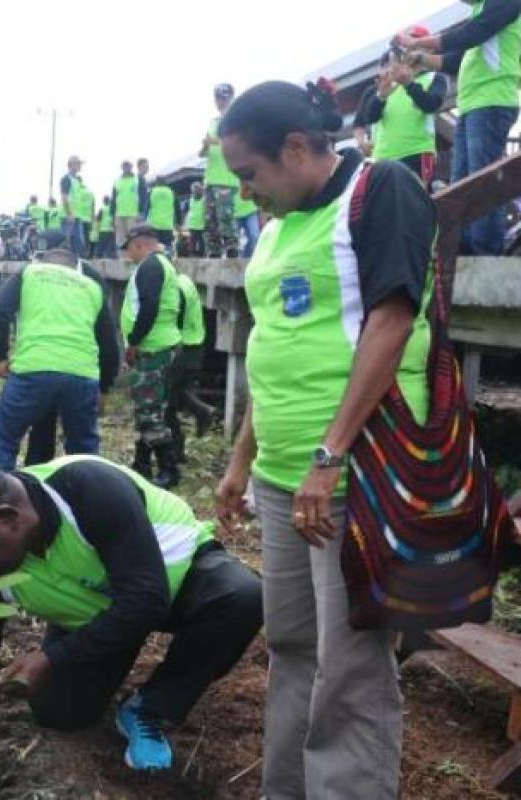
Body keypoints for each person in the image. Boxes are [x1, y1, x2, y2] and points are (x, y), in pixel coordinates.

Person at [215, 81, 436, 799]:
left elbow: (392, 320)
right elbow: (272, 348)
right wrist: (241, 461)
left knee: (351, 663)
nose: (247, 192)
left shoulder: (380, 190)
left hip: (353, 476)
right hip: (284, 481)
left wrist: (329, 454)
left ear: (298, 148)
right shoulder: (278, 229)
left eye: (251, 174)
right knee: (292, 648)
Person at [0, 455, 263, 799]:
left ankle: (151, 706)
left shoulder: (86, 488)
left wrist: (54, 659)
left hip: (177, 581)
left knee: (243, 598)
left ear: (9, 518)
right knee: (60, 711)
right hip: (99, 615)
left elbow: (146, 599)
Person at [399, 1, 521, 254]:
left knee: (482, 181)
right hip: (474, 105)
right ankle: (464, 249)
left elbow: (471, 34)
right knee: (461, 183)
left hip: (492, 98)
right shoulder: (481, 11)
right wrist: (419, 58)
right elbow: (453, 60)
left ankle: (486, 251)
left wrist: (418, 43)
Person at [0, 248, 120, 471]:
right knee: (84, 452)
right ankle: (83, 502)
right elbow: (109, 343)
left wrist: (1, 356)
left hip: (32, 370)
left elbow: (0, 310)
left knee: (4, 440)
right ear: (76, 268)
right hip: (81, 375)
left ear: (42, 263)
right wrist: (104, 388)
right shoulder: (92, 287)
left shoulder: (29, 273)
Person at [118, 224, 183, 488]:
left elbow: (149, 307)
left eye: (129, 250)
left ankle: (169, 469)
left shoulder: (150, 266)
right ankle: (141, 463)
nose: (128, 256)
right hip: (160, 346)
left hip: (153, 348)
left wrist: (134, 341)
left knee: (150, 412)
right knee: (148, 407)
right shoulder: (162, 265)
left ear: (139, 244)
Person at [363, 30, 449, 187]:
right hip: (383, 160)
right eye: (406, 45)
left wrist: (408, 83)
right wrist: (381, 95)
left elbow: (431, 104)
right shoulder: (388, 82)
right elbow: (370, 117)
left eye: (415, 44)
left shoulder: (435, 78)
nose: (409, 50)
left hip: (418, 154)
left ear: (429, 50)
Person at [166, 270, 215, 460]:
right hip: (194, 345)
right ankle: (201, 411)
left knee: (167, 403)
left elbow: (174, 320)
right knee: (176, 393)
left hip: (182, 348)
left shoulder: (175, 288)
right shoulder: (185, 281)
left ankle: (176, 452)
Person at [200, 83, 241, 258]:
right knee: (210, 220)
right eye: (217, 97)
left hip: (227, 177)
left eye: (224, 97)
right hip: (210, 177)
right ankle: (213, 252)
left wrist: (215, 141)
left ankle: (232, 250)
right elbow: (205, 151)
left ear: (232, 98)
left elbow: (238, 143)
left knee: (226, 217)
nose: (220, 101)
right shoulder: (213, 122)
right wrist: (204, 147)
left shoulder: (236, 119)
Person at [60, 155, 93, 257]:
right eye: (78, 164)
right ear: (71, 165)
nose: (80, 166)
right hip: (69, 217)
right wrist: (69, 214)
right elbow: (64, 197)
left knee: (78, 245)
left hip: (77, 216)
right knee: (70, 243)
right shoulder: (66, 179)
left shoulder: (76, 181)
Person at [113, 161, 142, 244]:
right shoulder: (117, 181)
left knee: (133, 236)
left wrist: (141, 212)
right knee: (120, 238)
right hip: (119, 213)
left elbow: (143, 197)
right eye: (124, 166)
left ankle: (132, 256)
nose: (126, 168)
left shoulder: (137, 180)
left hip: (133, 213)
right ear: (122, 168)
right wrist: (113, 214)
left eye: (128, 166)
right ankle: (122, 256)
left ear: (131, 167)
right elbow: (114, 199)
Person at [146, 179, 177, 251]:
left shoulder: (152, 192)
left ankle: (156, 260)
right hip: (167, 225)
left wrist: (144, 220)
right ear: (166, 183)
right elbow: (177, 208)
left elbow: (147, 207)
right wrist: (179, 222)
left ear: (156, 183)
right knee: (168, 245)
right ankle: (168, 260)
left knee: (154, 245)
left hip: (154, 224)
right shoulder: (171, 192)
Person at [235, 191, 261, 258]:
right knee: (233, 240)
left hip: (250, 210)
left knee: (255, 236)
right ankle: (238, 259)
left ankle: (247, 258)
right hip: (234, 212)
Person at [185, 182, 206, 257]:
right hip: (201, 222)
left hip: (193, 223)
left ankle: (192, 254)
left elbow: (185, 210)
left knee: (193, 240)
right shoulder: (204, 199)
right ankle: (202, 254)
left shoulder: (190, 199)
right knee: (201, 240)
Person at [95, 194, 116, 258]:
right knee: (110, 244)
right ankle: (111, 256)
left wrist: (97, 230)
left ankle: (99, 256)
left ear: (103, 201)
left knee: (101, 244)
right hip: (111, 229)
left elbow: (98, 220)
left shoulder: (102, 209)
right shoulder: (113, 209)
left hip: (103, 229)